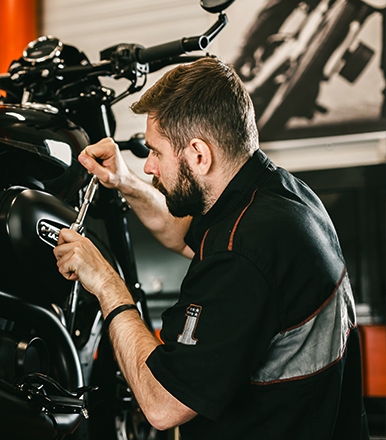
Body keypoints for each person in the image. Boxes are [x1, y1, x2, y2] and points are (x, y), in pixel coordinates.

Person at [53, 57, 370, 439]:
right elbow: (183, 233)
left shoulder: (243, 252)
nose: (150, 166)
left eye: (155, 152)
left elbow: (161, 404)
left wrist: (106, 283)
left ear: (199, 155)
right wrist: (126, 183)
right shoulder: (280, 197)